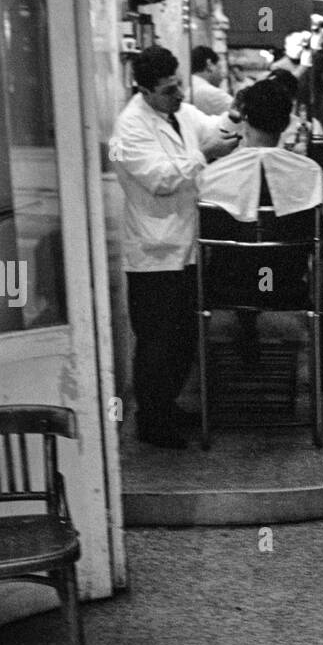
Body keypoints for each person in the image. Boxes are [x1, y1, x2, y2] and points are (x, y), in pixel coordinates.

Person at [110, 46, 241, 447]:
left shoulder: (179, 112)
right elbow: (161, 179)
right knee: (156, 343)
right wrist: (204, 156)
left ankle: (167, 406)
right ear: (145, 90)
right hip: (154, 253)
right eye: (169, 90)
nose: (180, 94)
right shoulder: (131, 127)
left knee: (184, 338)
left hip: (186, 248)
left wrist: (235, 116)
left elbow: (212, 128)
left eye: (179, 84)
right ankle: (152, 422)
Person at [197, 76, 323, 366]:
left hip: (227, 286)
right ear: (285, 124)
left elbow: (206, 234)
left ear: (244, 119)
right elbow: (320, 233)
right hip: (287, 285)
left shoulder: (213, 173)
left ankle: (244, 326)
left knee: (240, 255)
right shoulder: (310, 172)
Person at [190, 45, 233, 115]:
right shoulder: (211, 92)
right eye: (219, 68)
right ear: (209, 64)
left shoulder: (186, 85)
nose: (223, 75)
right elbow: (248, 114)